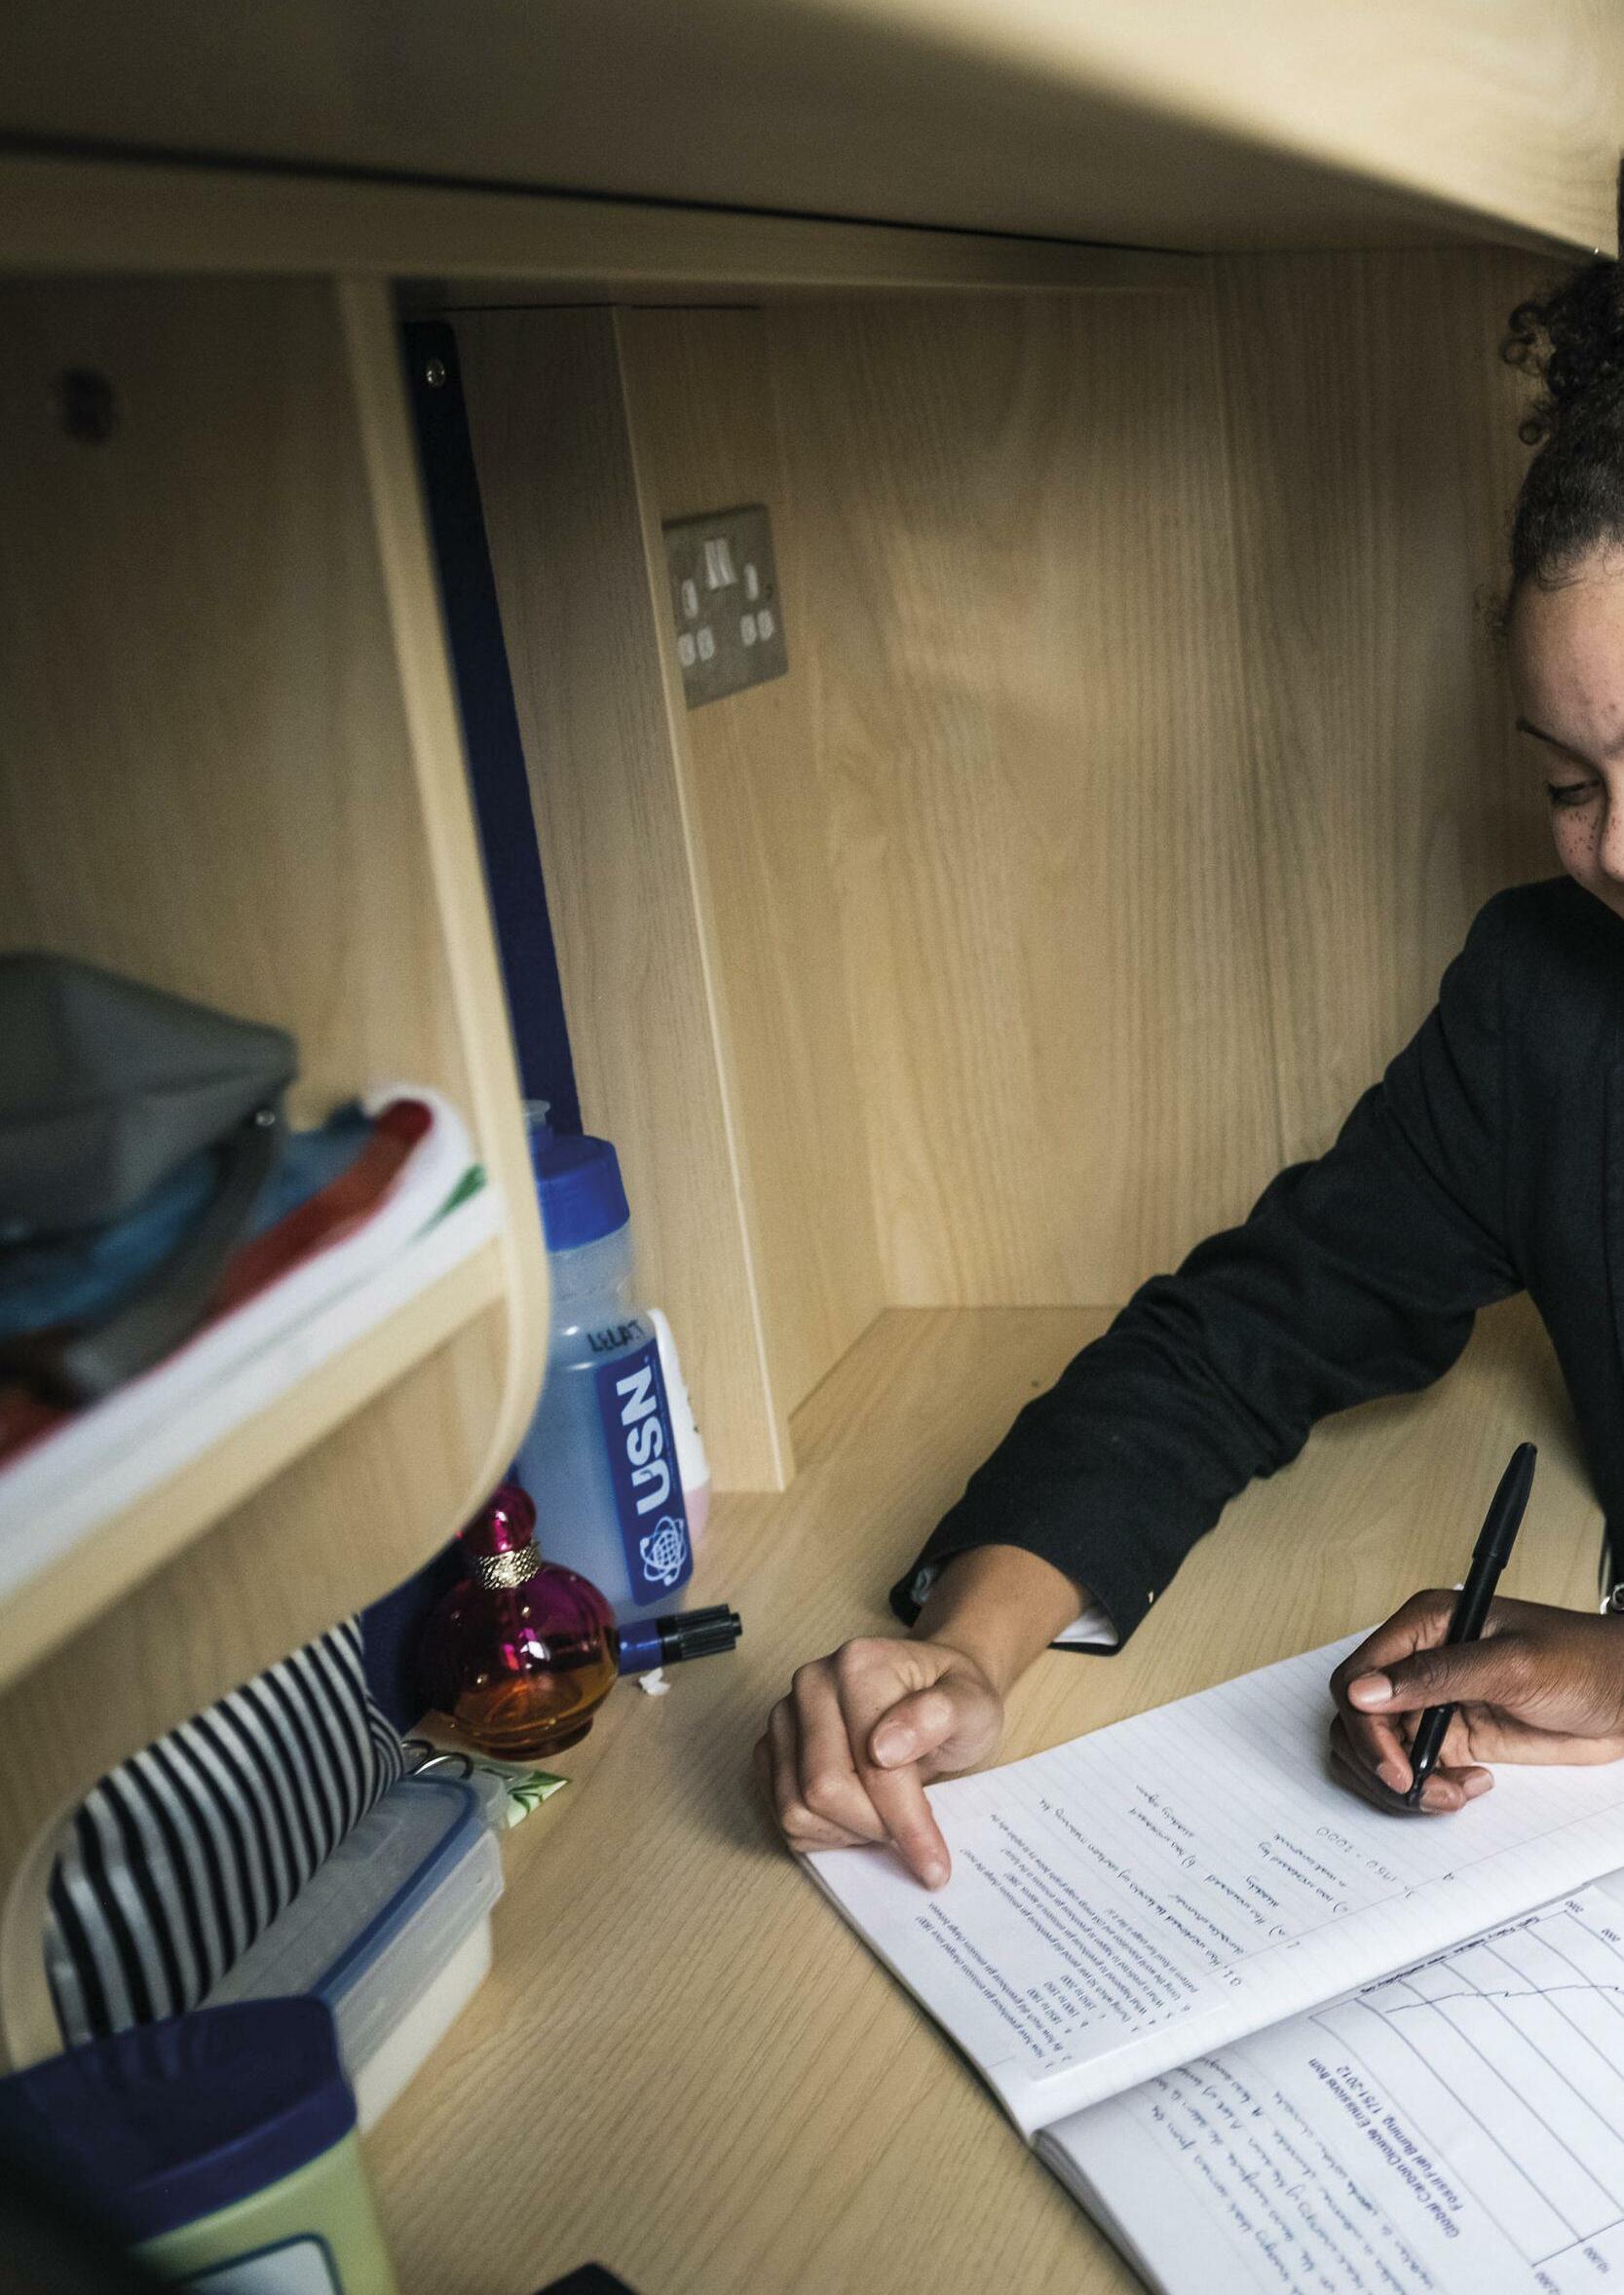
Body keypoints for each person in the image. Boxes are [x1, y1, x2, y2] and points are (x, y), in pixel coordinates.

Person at [757, 244, 1624, 1890]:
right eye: (1571, 784)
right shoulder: (1546, 1000)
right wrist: (970, 1650)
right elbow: (1245, 1332)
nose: (1618, 851)